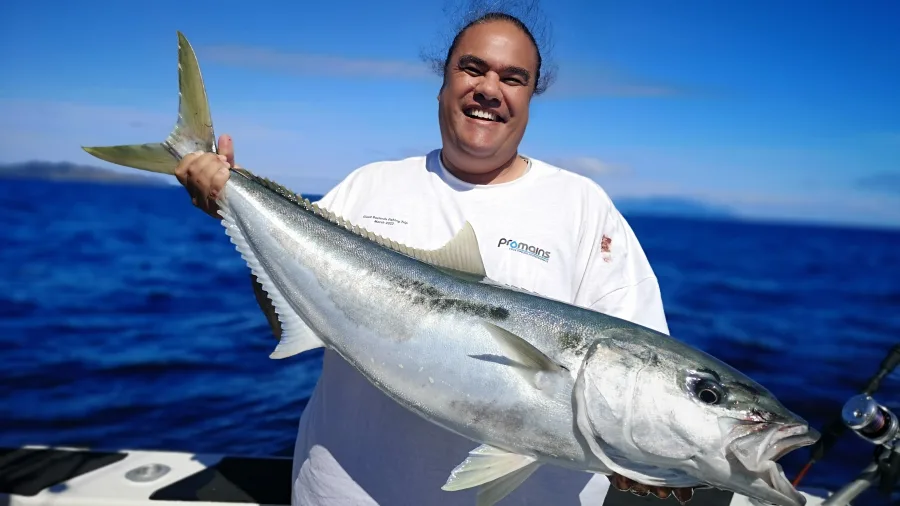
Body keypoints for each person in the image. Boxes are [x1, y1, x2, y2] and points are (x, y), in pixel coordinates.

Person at [175, 10, 695, 506]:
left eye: (513, 78)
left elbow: (634, 386)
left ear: (531, 96)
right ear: (443, 80)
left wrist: (643, 453)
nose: (489, 89)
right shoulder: (370, 185)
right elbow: (281, 318)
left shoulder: (583, 209)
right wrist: (233, 209)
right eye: (473, 68)